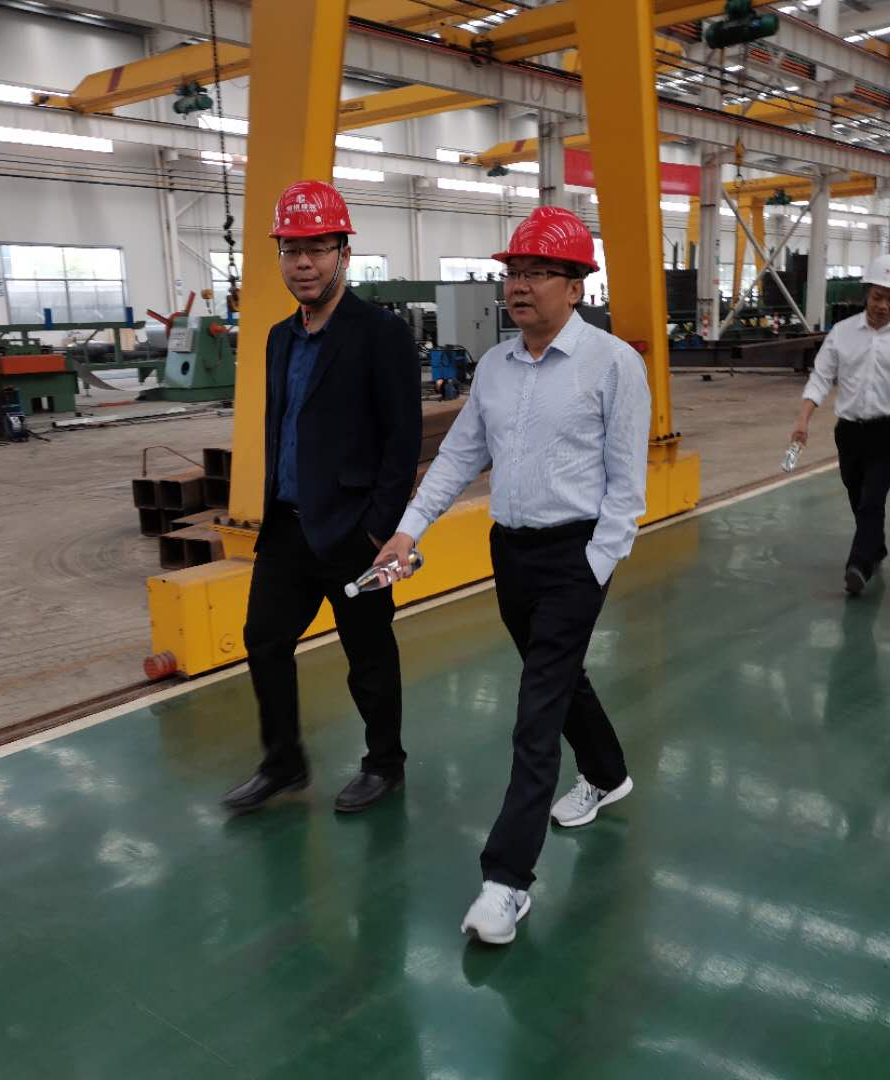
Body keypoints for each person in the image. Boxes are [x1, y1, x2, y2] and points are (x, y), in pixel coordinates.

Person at [374, 207, 651, 945]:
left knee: (535, 714)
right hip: (512, 554)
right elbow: (462, 456)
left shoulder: (614, 365)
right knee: (557, 678)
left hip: (575, 555)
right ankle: (608, 772)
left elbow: (627, 484)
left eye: (537, 273)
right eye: (514, 273)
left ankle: (506, 882)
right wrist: (408, 529)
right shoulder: (496, 366)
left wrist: (596, 564)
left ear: (576, 286)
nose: (518, 286)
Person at [221, 180, 422, 813]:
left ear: (343, 253)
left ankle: (384, 764)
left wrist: (378, 530)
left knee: (368, 654)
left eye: (317, 249)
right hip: (288, 526)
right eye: (291, 250)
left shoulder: (380, 334)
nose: (303, 263)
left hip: (353, 531)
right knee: (264, 640)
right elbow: (282, 427)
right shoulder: (279, 337)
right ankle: (283, 762)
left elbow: (403, 439)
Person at [790, 253, 890, 595]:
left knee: (872, 499)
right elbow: (821, 377)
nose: (884, 305)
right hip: (850, 431)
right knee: (857, 496)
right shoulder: (842, 333)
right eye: (878, 297)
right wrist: (803, 419)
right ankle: (876, 547)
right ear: (866, 293)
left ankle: (858, 566)